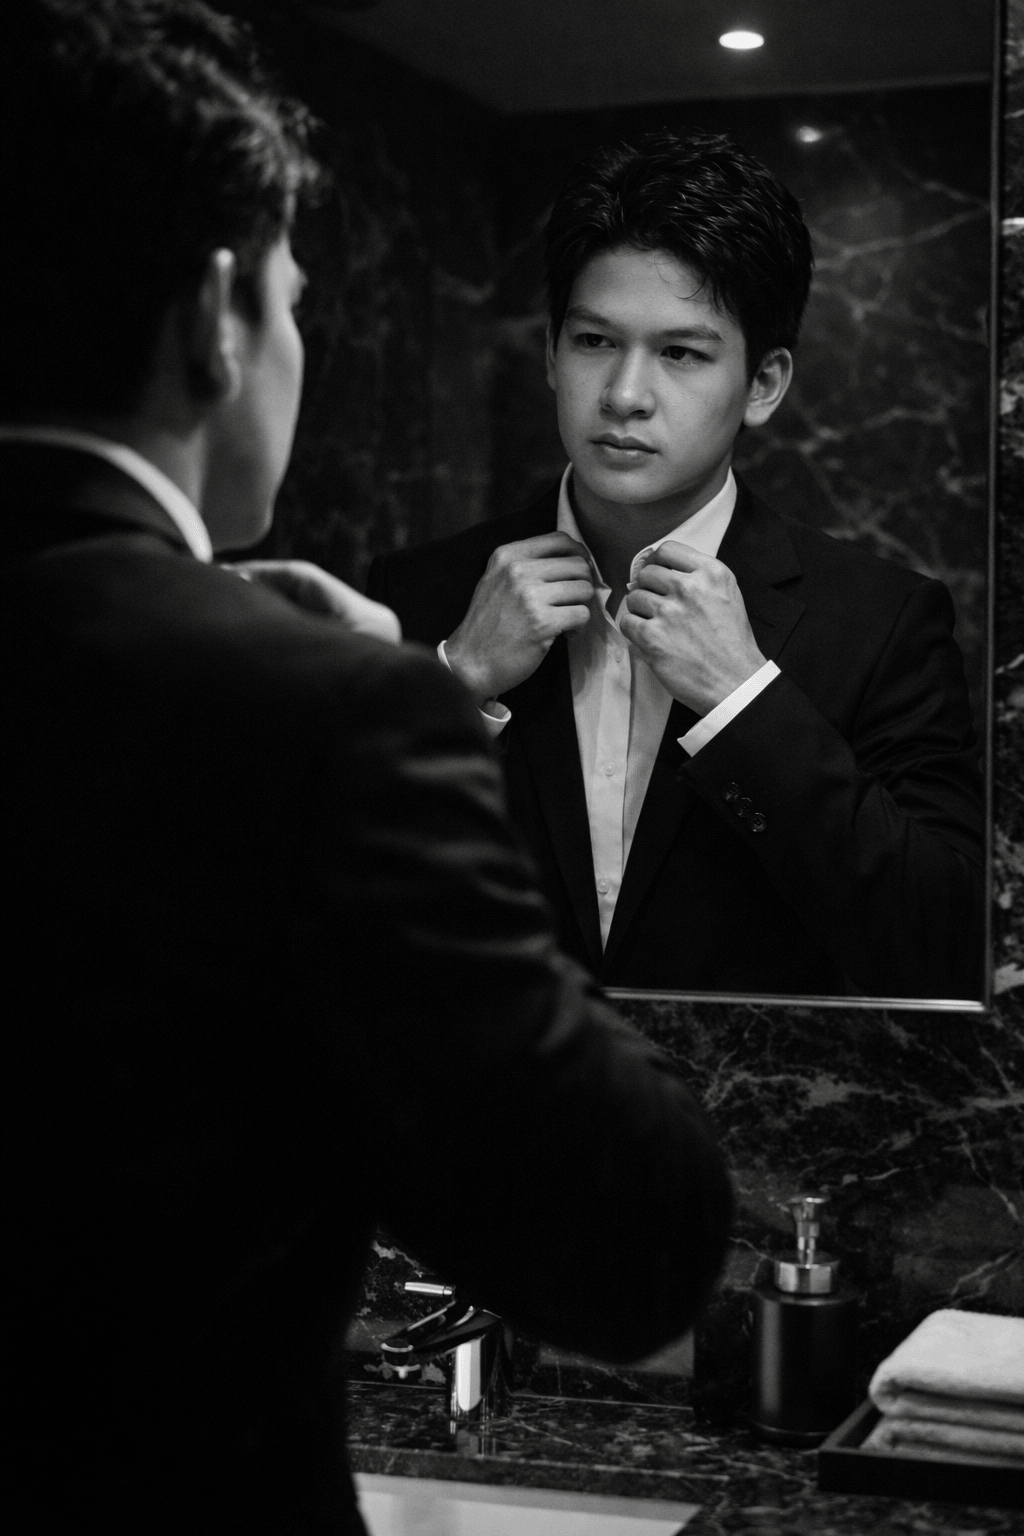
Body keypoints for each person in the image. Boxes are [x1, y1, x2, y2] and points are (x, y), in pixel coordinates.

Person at [1, 6, 732, 1533]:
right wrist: (412, 712)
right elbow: (626, 1245)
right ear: (217, 313)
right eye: (293, 295)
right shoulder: (326, 717)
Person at [368, 130, 985, 1000]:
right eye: (592, 342)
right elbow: (309, 902)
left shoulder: (881, 622)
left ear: (764, 383)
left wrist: (745, 701)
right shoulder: (419, 594)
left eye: (681, 353)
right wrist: (451, 684)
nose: (624, 394)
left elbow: (946, 939)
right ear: (549, 351)